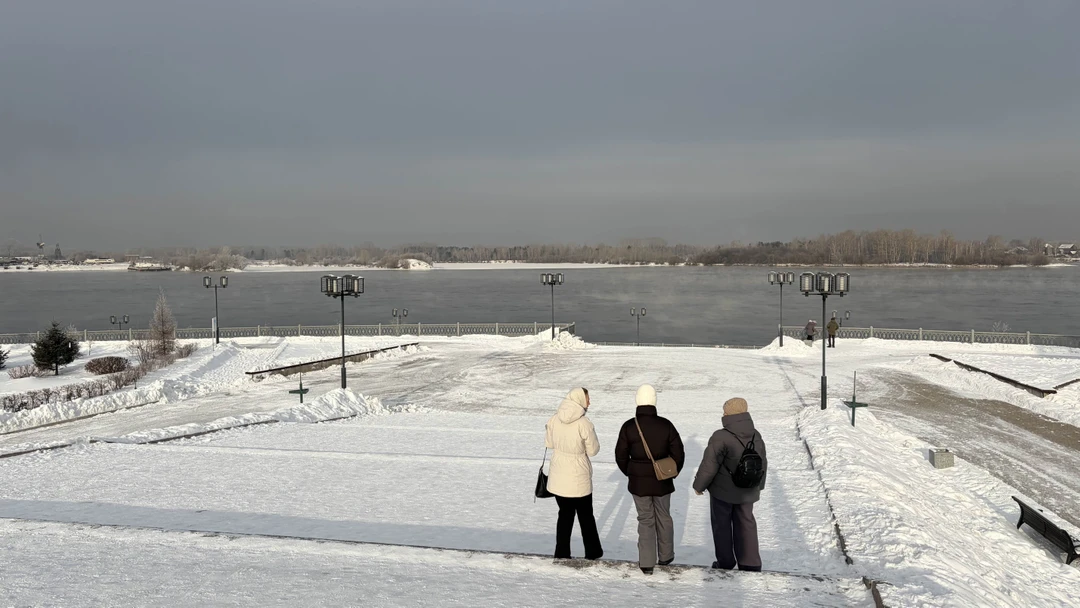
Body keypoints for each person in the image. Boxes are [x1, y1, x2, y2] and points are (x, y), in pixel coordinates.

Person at [615, 384, 685, 575]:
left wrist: (631, 472)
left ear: (637, 401)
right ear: (654, 401)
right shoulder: (666, 425)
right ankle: (666, 555)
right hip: (663, 481)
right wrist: (672, 471)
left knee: (645, 519)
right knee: (664, 515)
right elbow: (678, 453)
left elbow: (620, 456)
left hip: (638, 483)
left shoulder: (629, 426)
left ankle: (646, 563)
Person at [692, 397, 768, 572]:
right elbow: (763, 462)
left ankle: (725, 562)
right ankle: (750, 563)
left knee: (722, 526)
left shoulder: (721, 436)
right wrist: (759, 485)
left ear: (728, 413)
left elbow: (709, 465)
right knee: (746, 523)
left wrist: (699, 486)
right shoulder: (756, 435)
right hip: (748, 490)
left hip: (722, 492)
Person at [545, 387, 603, 560]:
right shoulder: (584, 423)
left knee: (564, 515)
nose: (589, 402)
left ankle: (561, 553)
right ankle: (592, 552)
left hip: (558, 476)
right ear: (580, 400)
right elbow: (593, 450)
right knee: (586, 516)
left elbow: (549, 443)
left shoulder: (554, 419)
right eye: (587, 398)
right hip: (579, 477)